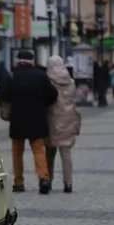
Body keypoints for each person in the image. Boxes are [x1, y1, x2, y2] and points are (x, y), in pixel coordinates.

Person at [0, 49, 58, 194]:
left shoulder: (12, 77)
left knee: (17, 153)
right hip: (37, 120)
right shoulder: (41, 76)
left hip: (17, 120)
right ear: (32, 60)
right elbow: (53, 95)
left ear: (18, 60)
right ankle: (43, 178)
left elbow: (3, 96)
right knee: (39, 151)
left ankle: (18, 182)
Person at [44, 56, 80, 194]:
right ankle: (68, 183)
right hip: (68, 118)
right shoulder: (71, 81)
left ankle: (49, 180)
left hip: (52, 118)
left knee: (49, 153)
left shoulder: (49, 80)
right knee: (66, 153)